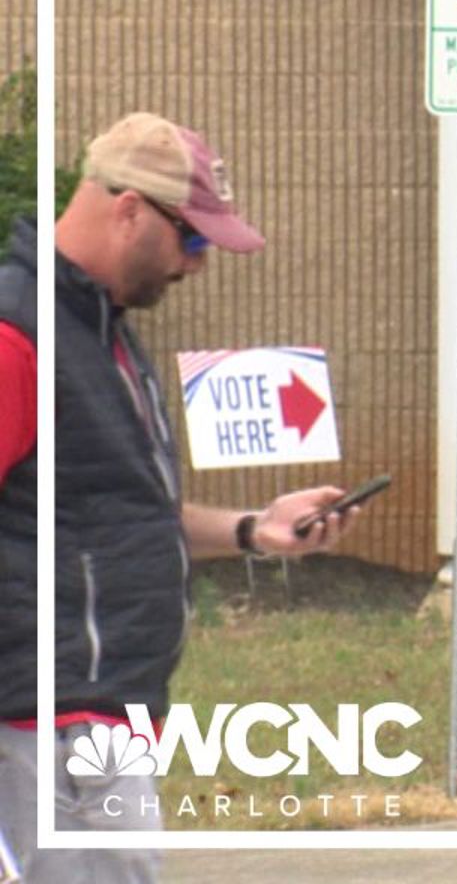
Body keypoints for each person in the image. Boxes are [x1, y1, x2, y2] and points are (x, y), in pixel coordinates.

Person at [0, 112, 362, 880]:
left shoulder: (105, 336)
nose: (197, 264)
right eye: (191, 240)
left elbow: (118, 517)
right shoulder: (19, 335)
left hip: (106, 704)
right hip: (51, 715)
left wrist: (253, 529)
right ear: (129, 208)